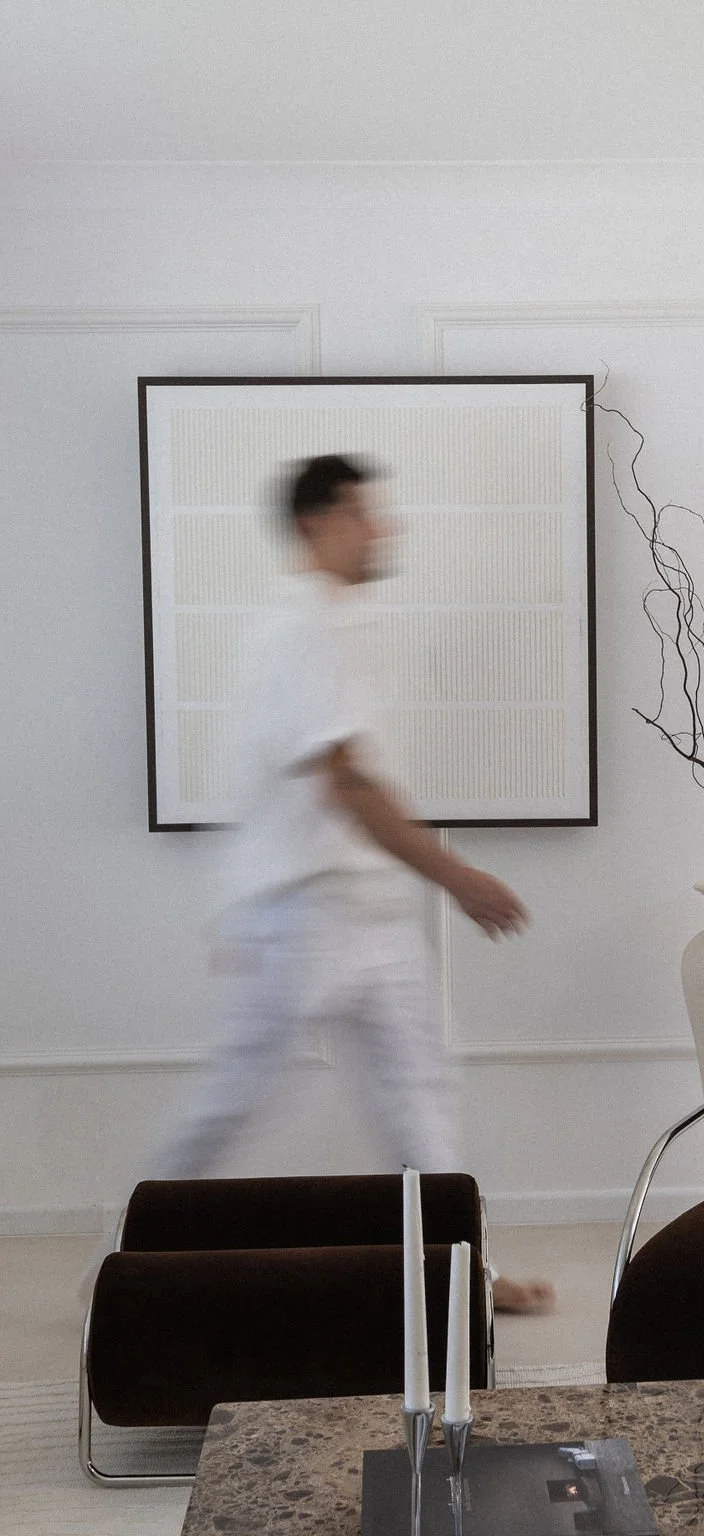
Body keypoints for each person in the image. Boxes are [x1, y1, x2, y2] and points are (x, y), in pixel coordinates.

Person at [83, 454, 553, 1314]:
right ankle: (115, 1271)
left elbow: (354, 781)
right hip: (297, 914)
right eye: (364, 514)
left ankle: (462, 1282)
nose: (384, 528)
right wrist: (455, 874)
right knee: (231, 1100)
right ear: (315, 524)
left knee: (420, 1100)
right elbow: (343, 780)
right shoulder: (299, 627)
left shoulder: (343, 625)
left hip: (367, 908)